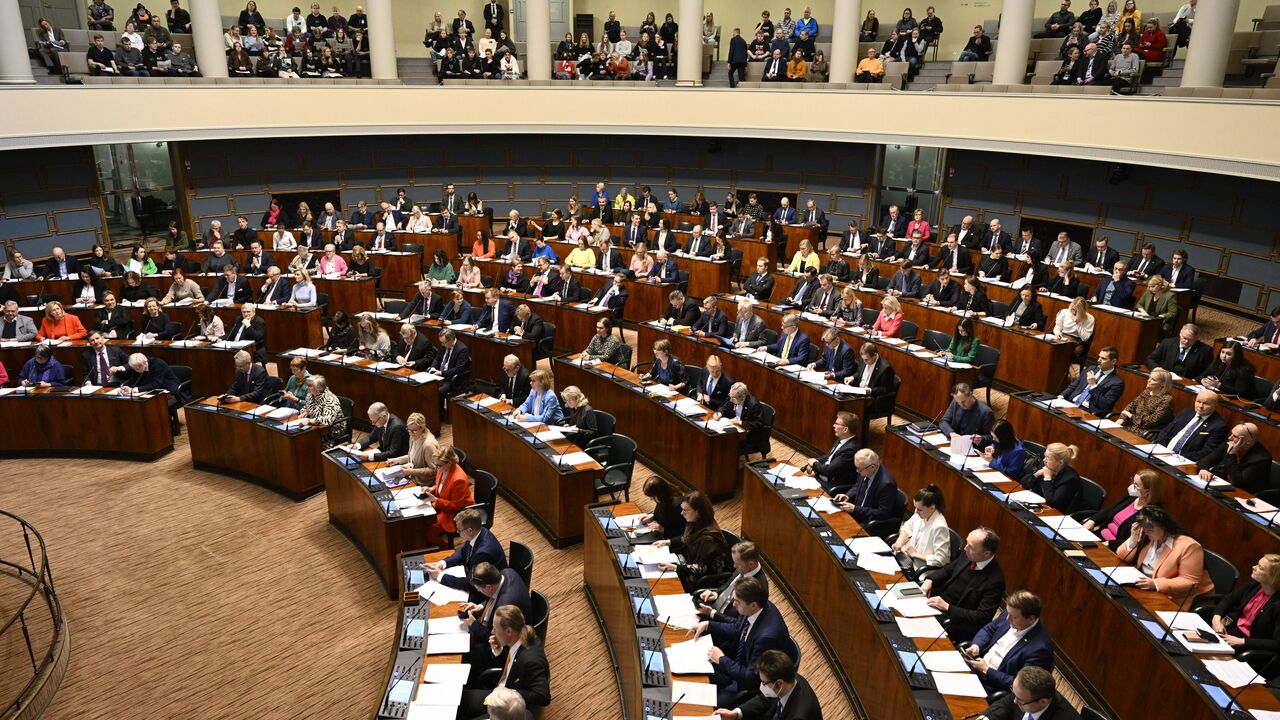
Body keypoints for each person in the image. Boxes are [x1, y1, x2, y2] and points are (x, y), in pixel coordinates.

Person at [460, 606, 550, 719]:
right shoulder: (521, 635)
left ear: (508, 631)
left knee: (461, 702)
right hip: (500, 689)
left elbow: (543, 696)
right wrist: (499, 652)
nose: (492, 632)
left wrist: (509, 693)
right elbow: (512, 667)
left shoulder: (530, 660)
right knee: (460, 697)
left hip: (505, 705)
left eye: (495, 628)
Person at [1117, 506, 1213, 609]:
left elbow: (1189, 581)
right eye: (1144, 526)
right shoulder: (1148, 537)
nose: (1146, 530)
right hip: (1144, 589)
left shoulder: (1189, 546)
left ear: (1164, 526)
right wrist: (1133, 539)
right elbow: (1123, 556)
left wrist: (1156, 584)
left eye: (1150, 527)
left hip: (1172, 598)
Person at [921, 527, 1006, 642]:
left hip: (954, 622)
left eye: (970, 547)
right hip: (936, 604)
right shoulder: (970, 555)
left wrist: (948, 607)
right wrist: (930, 580)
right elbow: (948, 570)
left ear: (986, 553)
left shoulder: (995, 581)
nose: (965, 548)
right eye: (967, 543)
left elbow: (982, 617)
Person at [963, 590, 1054, 696]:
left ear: (1031, 619)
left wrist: (987, 671)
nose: (1007, 618)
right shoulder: (1011, 613)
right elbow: (989, 629)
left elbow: (1022, 685)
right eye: (1008, 613)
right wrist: (976, 646)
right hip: (974, 665)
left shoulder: (1040, 649)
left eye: (1014, 617)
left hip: (990, 685)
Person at [1211, 553, 1280, 679]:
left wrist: (1242, 642)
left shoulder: (1277, 604)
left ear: (1272, 578)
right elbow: (1228, 599)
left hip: (1252, 650)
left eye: (1260, 567)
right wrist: (1217, 618)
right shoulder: (1255, 585)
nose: (1254, 567)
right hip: (1231, 634)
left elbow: (1277, 643)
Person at [425, 508, 506, 601]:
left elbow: (470, 584)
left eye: (459, 530)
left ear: (470, 530)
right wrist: (442, 563)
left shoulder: (483, 553)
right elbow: (463, 551)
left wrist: (440, 576)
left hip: (486, 593)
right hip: (476, 579)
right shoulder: (479, 532)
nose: (457, 532)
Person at [460, 561, 529, 662]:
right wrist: (480, 606)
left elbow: (495, 637)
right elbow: (493, 597)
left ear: (488, 587)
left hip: (505, 647)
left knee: (466, 654)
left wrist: (473, 624)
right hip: (509, 624)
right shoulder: (507, 572)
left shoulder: (503, 607)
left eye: (479, 589)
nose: (478, 591)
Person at [1084, 469, 1163, 549]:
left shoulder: (1152, 513)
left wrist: (1108, 544)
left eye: (1136, 485)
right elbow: (1110, 510)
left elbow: (1135, 541)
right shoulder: (1132, 496)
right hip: (1098, 536)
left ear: (1148, 491)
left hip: (1114, 548)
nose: (1132, 487)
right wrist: (1092, 521)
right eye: (1133, 482)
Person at [979, 665, 1081, 720]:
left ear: (1043, 702)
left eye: (1020, 699)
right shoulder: (1025, 694)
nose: (1015, 701)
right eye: (1014, 694)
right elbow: (1005, 705)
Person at [1154, 388, 1228, 462]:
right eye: (1198, 401)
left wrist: (1176, 456)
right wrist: (1162, 448)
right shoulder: (1186, 412)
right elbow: (1166, 431)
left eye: (1206, 403)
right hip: (1162, 452)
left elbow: (1206, 452)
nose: (1200, 406)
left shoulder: (1219, 426)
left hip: (1183, 460)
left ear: (1215, 405)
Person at [1198, 423, 1273, 494]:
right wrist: (1203, 469)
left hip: (1247, 496)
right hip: (1226, 488)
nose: (1229, 438)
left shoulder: (1261, 458)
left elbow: (1238, 482)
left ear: (1248, 442)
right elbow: (1205, 460)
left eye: (1235, 436)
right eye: (1231, 434)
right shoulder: (1230, 443)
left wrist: (1232, 454)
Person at [892, 484, 951, 574]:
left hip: (921, 570)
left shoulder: (940, 527)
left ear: (932, 507)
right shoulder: (920, 513)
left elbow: (942, 559)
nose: (916, 512)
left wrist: (915, 555)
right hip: (907, 560)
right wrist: (899, 542)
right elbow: (908, 527)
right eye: (915, 508)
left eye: (919, 509)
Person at [832, 449, 899, 524]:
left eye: (859, 468)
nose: (857, 471)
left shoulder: (887, 484)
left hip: (867, 522)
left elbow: (882, 513)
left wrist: (855, 509)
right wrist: (847, 495)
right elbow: (857, 487)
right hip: (855, 514)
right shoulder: (865, 469)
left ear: (873, 466)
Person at [1059, 346, 1124, 414]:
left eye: (1103, 358)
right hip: (1071, 403)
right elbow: (1073, 386)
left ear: (1113, 361)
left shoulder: (1117, 383)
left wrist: (1093, 385)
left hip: (1088, 411)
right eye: (1099, 357)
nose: (1098, 360)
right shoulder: (1091, 369)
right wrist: (1061, 396)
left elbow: (1104, 404)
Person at [1021, 442, 1082, 513]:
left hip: (1055, 513)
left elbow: (1052, 502)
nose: (1044, 460)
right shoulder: (1045, 465)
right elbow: (1024, 483)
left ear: (1060, 462)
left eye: (1048, 458)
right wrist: (1036, 474)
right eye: (1045, 456)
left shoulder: (1070, 479)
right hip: (1037, 506)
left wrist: (1047, 478)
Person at [1115, 367, 1176, 437]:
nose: (1148, 380)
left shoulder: (1167, 400)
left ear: (1163, 384)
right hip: (1129, 426)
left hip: (1144, 433)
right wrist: (1122, 418)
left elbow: (1151, 422)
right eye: (1149, 377)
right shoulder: (1146, 392)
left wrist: (1131, 416)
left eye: (1153, 379)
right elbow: (1131, 406)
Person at [427, 328, 471, 400]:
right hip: (439, 375)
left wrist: (442, 373)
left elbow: (458, 369)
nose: (442, 345)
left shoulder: (462, 349)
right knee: (425, 385)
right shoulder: (444, 345)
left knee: (438, 391)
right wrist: (433, 367)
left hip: (451, 379)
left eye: (443, 343)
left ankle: (440, 410)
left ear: (450, 340)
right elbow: (437, 359)